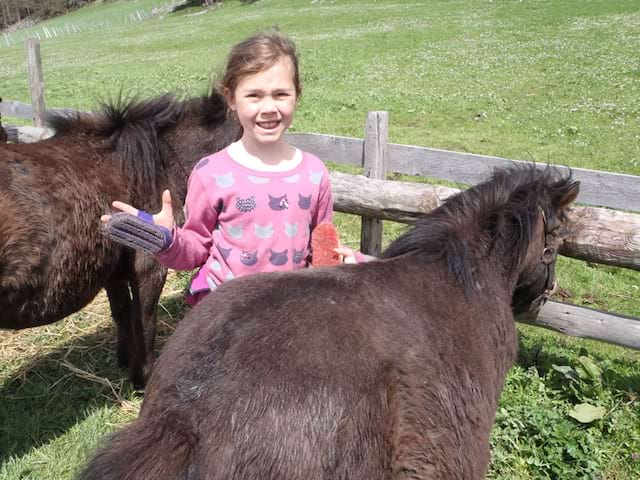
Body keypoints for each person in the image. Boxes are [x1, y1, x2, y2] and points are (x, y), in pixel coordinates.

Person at [101, 30, 358, 305]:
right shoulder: (211, 173)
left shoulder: (314, 173)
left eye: (280, 94)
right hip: (227, 316)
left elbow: (322, 247)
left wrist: (346, 267)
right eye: (254, 95)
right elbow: (195, 251)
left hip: (288, 315)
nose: (269, 107)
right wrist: (168, 240)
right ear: (231, 99)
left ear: (297, 95)